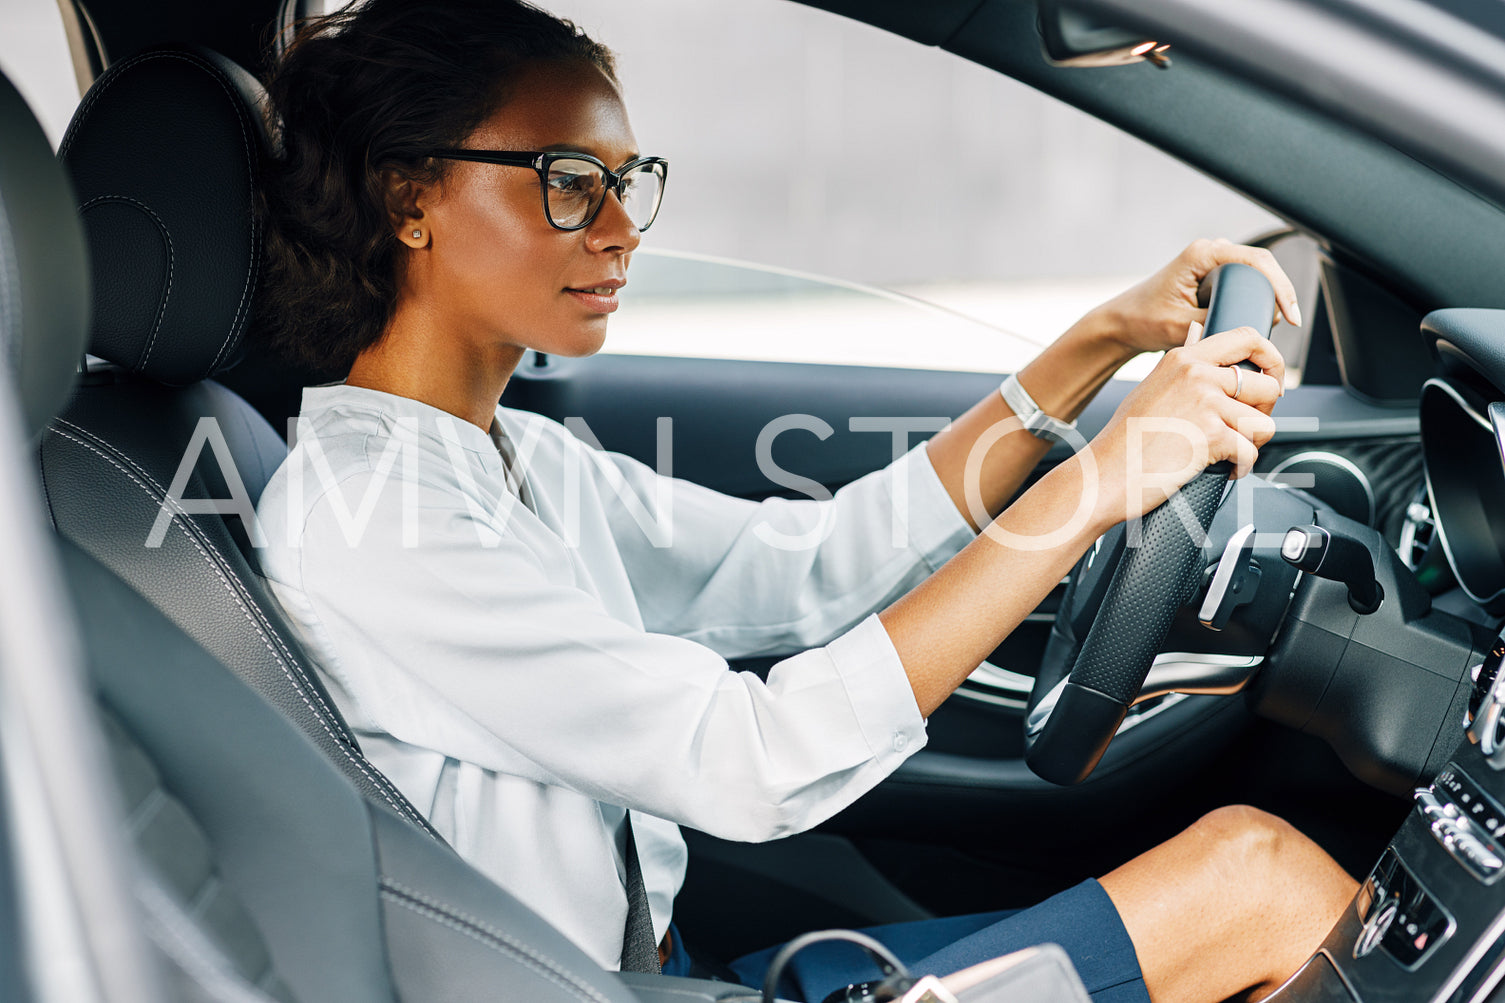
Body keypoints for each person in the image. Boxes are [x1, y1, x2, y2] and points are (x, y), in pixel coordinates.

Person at [252, 2, 1356, 1001]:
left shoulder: (511, 456)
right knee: (1257, 882)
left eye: (626, 181)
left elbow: (811, 564)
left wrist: (1092, 346)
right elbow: (748, 758)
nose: (620, 227)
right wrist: (1092, 487)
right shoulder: (375, 521)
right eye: (567, 181)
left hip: (669, 977)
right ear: (409, 199)